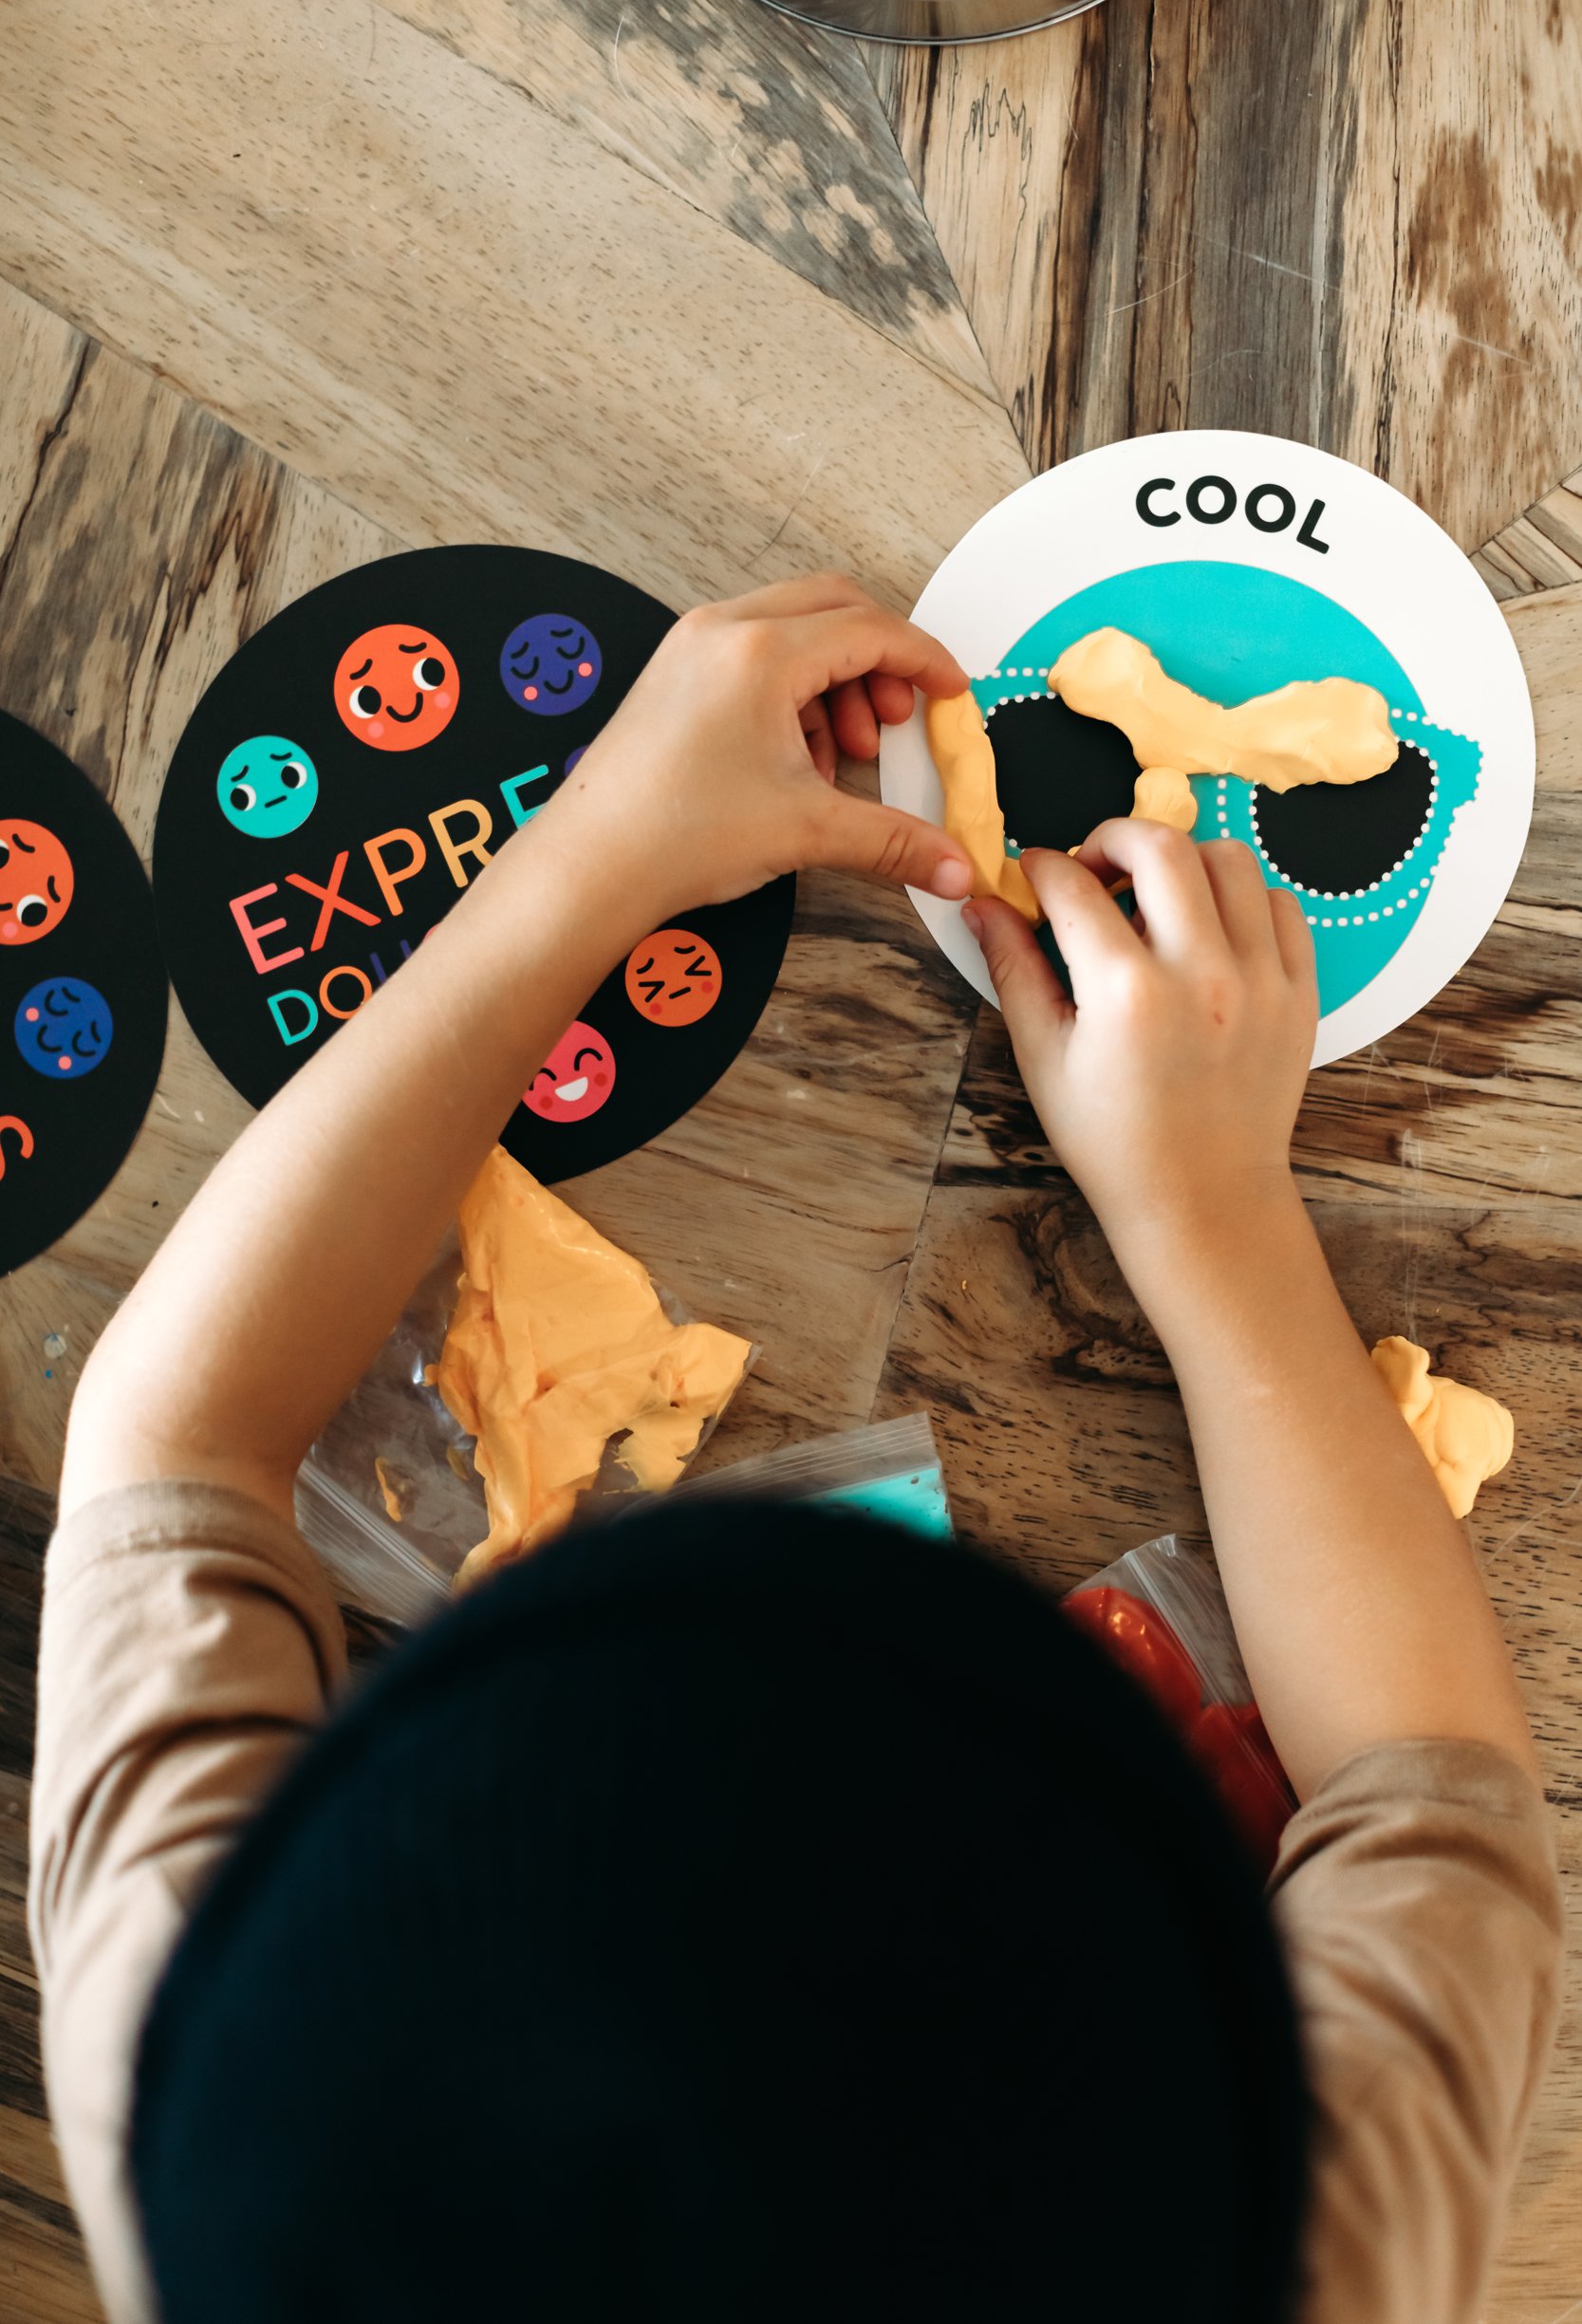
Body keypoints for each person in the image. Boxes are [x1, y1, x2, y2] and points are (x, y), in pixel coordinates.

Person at [30, 578, 1559, 2324]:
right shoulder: (1314, 2247)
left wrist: (587, 860)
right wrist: (1210, 1215)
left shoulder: (231, 2100)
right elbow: (1437, 1793)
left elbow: (177, 1447)